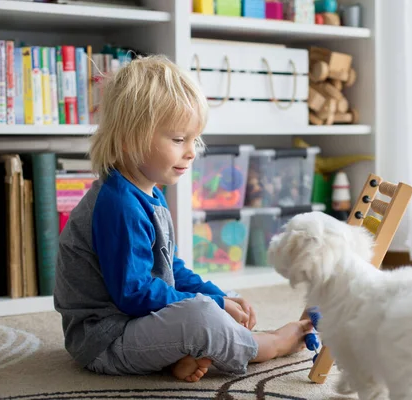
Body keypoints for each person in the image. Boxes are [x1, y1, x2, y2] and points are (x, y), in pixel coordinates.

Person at [53, 55, 312, 383]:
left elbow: (171, 270)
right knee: (201, 315)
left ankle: (176, 358)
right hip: (105, 339)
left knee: (212, 300)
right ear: (129, 139)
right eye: (178, 139)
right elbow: (134, 295)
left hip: (132, 323)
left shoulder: (149, 193)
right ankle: (268, 345)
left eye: (194, 139)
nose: (192, 151)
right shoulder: (118, 205)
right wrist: (213, 304)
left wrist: (219, 295)